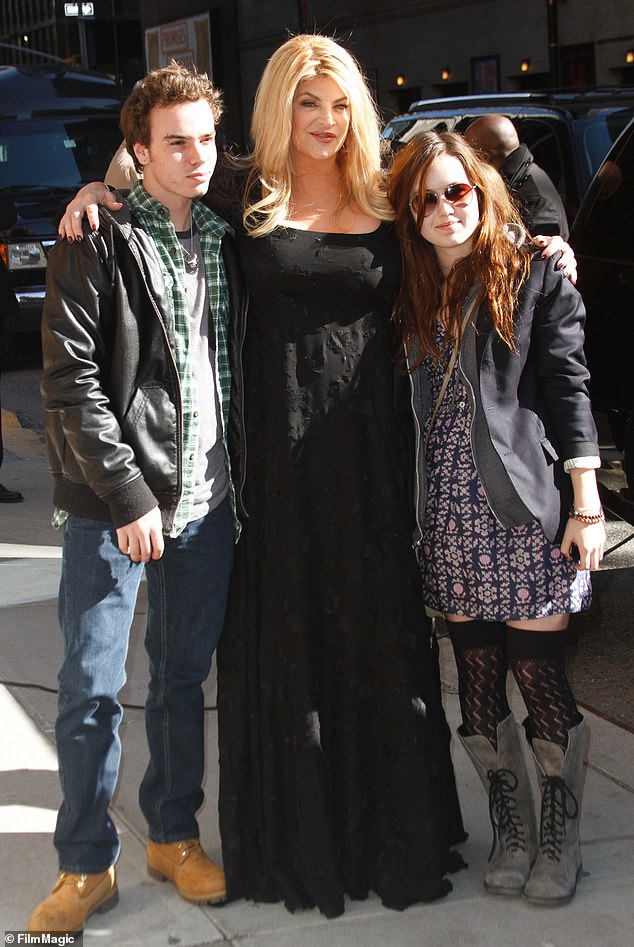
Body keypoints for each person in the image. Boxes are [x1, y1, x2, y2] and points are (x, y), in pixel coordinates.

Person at [57, 35, 576, 919]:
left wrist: (550, 236)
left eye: (339, 104)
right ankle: (246, 839)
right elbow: (155, 160)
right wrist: (101, 186)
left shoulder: (385, 186)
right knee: (269, 645)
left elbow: (481, 171)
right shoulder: (241, 187)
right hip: (273, 462)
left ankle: (397, 827)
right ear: (278, 109)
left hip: (373, 460)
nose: (326, 121)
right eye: (307, 103)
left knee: (375, 635)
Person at [28, 62, 246, 934]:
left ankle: (173, 832)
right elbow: (70, 380)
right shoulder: (97, 238)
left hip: (210, 502)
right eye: (175, 141)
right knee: (90, 685)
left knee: (183, 680)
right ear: (137, 150)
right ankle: (85, 863)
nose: (196, 156)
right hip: (111, 508)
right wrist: (126, 496)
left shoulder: (231, 236)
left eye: (206, 139)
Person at [387, 130, 605, 907]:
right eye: (427, 200)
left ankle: (559, 832)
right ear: (408, 217)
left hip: (521, 511)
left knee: (538, 675)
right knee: (476, 684)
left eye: (458, 191)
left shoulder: (534, 272)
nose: (446, 209)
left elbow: (570, 385)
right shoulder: (407, 290)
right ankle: (510, 826)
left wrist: (587, 501)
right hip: (446, 515)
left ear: (482, 191)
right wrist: (101, 188)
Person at [464, 113, 570, 238]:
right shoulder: (518, 177)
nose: (467, 166)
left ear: (485, 157)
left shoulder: (535, 197)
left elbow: (541, 253)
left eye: (469, 157)